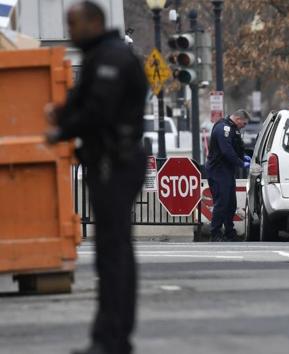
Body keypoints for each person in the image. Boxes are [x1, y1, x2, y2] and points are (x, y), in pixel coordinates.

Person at [45, 2, 148, 354]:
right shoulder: (100, 56)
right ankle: (111, 337)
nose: (69, 31)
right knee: (113, 252)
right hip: (108, 161)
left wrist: (61, 130)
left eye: (73, 24)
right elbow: (81, 100)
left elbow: (98, 109)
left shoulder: (111, 58)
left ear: (93, 22)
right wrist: (62, 114)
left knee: (114, 253)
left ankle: (112, 339)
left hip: (115, 163)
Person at [205, 110, 251, 241]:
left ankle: (229, 232)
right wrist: (241, 163)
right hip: (218, 171)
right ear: (238, 119)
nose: (244, 126)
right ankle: (215, 233)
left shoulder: (232, 128)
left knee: (231, 203)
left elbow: (235, 148)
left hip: (227, 171)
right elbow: (226, 150)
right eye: (244, 123)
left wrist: (242, 156)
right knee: (222, 203)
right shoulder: (223, 128)